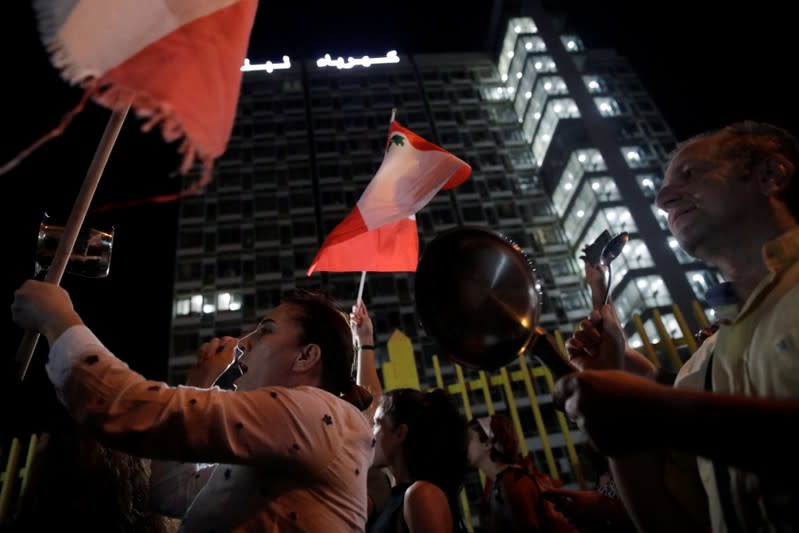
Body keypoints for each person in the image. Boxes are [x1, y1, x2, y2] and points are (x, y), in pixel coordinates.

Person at [556, 121, 799, 532]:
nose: (663, 198)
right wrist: (618, 403)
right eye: (666, 187)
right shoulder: (700, 366)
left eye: (690, 174)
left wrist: (658, 411)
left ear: (770, 175)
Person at [11, 282, 375, 532]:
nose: (243, 344)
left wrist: (58, 320)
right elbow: (170, 493)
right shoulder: (281, 439)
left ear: (306, 356)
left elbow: (131, 409)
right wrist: (200, 385)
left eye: (265, 330)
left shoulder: (313, 414)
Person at [368, 388, 468, 533]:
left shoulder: (422, 494)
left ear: (400, 434)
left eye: (376, 424)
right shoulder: (397, 495)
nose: (369, 432)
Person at [466, 414, 575, 533]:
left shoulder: (511, 482)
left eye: (467, 440)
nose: (463, 446)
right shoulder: (499, 482)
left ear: (487, 444)